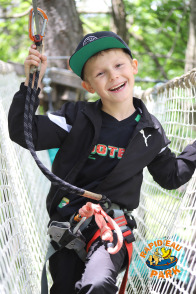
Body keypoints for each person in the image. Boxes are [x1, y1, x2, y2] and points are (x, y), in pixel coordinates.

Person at [8, 31, 196, 294]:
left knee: (97, 285)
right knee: (64, 289)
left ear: (134, 67)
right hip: (69, 226)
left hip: (112, 226)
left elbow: (171, 176)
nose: (113, 76)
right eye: (100, 73)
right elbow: (22, 131)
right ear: (89, 86)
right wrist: (32, 83)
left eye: (119, 66)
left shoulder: (150, 132)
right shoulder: (76, 118)